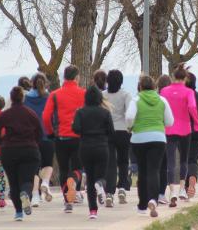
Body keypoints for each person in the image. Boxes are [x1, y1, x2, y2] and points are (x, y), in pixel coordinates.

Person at [0, 87, 42, 221]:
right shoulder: (30, 113)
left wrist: (2, 142)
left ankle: (18, 212)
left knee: (13, 182)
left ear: (11, 98)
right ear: (22, 98)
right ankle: (25, 193)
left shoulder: (6, 114)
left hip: (9, 151)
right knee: (27, 180)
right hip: (29, 150)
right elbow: (40, 132)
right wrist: (33, 142)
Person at [126, 75, 174, 218]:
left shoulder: (136, 100)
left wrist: (131, 127)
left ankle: (142, 206)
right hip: (158, 139)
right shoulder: (162, 100)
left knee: (142, 171)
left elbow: (129, 117)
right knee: (154, 170)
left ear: (140, 87)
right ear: (155, 87)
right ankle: (153, 199)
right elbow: (170, 121)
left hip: (139, 139)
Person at [43, 65, 86, 213]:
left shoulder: (55, 94)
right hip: (78, 137)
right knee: (77, 168)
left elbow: (45, 116)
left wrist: (50, 132)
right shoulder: (83, 93)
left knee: (63, 169)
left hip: (60, 137)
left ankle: (68, 202)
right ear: (76, 77)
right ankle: (73, 180)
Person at [160, 64, 198, 207]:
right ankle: (182, 189)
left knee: (170, 161)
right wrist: (196, 123)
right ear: (185, 78)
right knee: (184, 159)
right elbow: (192, 107)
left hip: (168, 129)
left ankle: (172, 191)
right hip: (185, 129)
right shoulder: (189, 92)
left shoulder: (164, 91)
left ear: (173, 77)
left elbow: (161, 108)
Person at [72, 86, 115, 219]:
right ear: (99, 98)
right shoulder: (105, 113)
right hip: (101, 147)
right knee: (101, 175)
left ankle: (93, 211)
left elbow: (76, 128)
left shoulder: (80, 112)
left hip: (85, 147)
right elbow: (111, 131)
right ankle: (101, 184)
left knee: (90, 178)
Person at [23, 73, 54, 206]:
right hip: (47, 136)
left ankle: (35, 196)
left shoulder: (25, 99)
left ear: (32, 83)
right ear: (45, 83)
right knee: (48, 164)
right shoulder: (50, 97)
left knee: (34, 169)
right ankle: (46, 183)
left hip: (31, 138)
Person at [102, 70, 132, 207]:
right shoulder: (126, 94)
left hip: (108, 132)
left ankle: (109, 192)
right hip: (123, 131)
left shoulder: (102, 95)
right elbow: (129, 113)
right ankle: (122, 188)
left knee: (110, 163)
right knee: (124, 160)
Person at [156, 74, 172, 204]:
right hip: (164, 135)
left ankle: (151, 193)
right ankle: (161, 193)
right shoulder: (167, 99)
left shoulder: (155, 97)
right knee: (163, 166)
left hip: (147, 135)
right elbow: (169, 120)